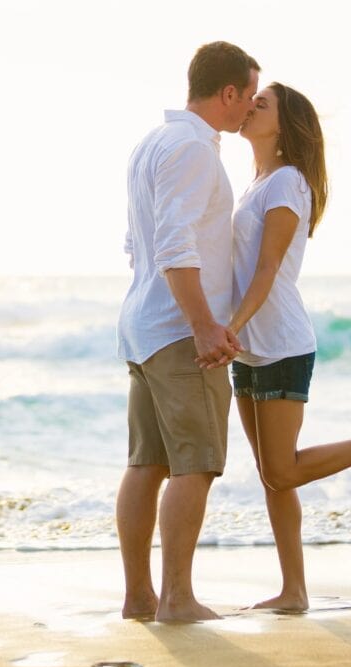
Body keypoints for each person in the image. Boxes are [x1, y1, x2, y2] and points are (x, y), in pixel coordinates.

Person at [199, 82, 351, 611]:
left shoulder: (288, 182)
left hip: (280, 343)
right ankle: (294, 591)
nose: (249, 107)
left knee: (283, 470)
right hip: (250, 346)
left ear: (285, 126)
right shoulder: (257, 183)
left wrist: (232, 327)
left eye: (260, 104)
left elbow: (268, 269)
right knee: (274, 477)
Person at [116, 41, 259, 623]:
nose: (250, 108)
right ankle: (177, 598)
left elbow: (138, 245)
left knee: (145, 464)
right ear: (228, 93)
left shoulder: (153, 142)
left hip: (143, 322)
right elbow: (175, 244)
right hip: (177, 330)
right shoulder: (194, 150)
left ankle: (139, 599)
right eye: (248, 97)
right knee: (193, 464)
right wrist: (203, 325)